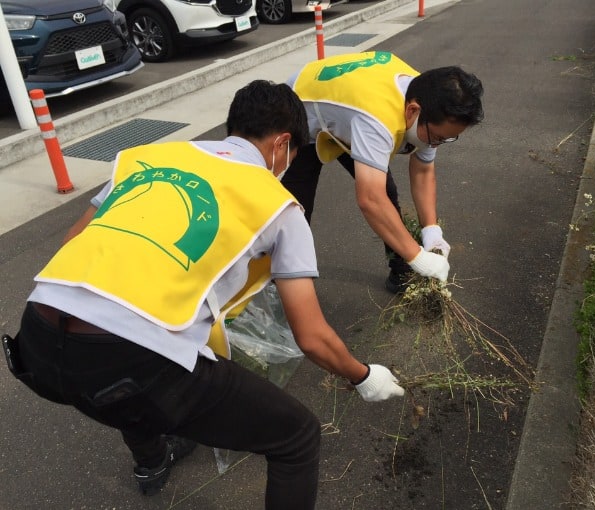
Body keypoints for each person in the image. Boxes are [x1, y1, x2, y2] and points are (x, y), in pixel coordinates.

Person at [1, 80, 404, 509]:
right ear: (282, 143)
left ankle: (152, 460)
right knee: (296, 435)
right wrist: (362, 376)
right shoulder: (279, 206)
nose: (289, 165)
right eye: (293, 154)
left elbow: (73, 241)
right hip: (129, 364)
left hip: (36, 342)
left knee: (124, 375)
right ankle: (155, 443)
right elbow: (312, 337)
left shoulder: (152, 157)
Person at [280, 51, 484, 293]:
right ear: (412, 111)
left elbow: (423, 170)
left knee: (386, 191)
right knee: (293, 211)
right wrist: (418, 256)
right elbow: (370, 199)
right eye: (438, 138)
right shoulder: (377, 119)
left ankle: (402, 271)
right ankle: (281, 289)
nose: (436, 145)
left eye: (448, 139)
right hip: (298, 110)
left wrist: (431, 230)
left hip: (347, 112)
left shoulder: (431, 97)